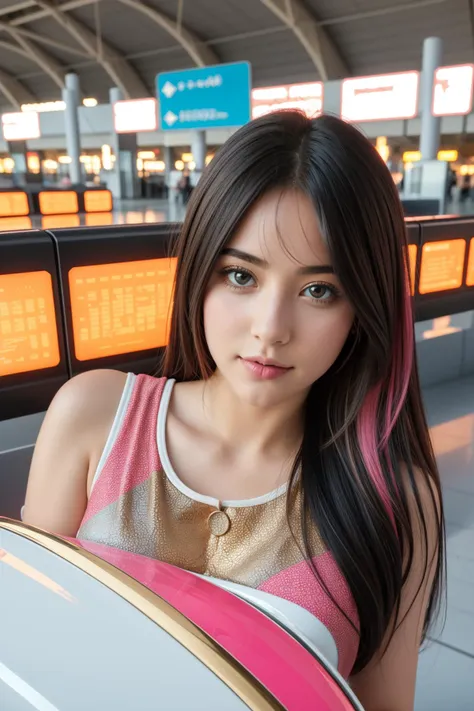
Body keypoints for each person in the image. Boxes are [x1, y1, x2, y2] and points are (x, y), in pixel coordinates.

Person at [24, 111, 445, 711]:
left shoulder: (393, 499)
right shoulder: (95, 418)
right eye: (241, 275)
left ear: (364, 308)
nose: (270, 331)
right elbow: (33, 633)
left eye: (319, 290)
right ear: (200, 271)